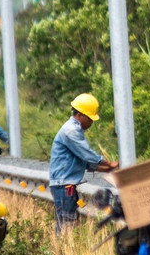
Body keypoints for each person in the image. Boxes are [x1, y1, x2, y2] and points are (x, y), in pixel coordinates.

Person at [49, 93, 118, 233]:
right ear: (80, 115)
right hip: (64, 185)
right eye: (90, 118)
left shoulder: (75, 130)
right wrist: (107, 163)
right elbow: (86, 153)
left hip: (66, 184)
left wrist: (102, 168)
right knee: (66, 224)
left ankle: (64, 245)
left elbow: (81, 161)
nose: (91, 123)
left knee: (69, 222)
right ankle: (63, 246)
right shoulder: (70, 131)